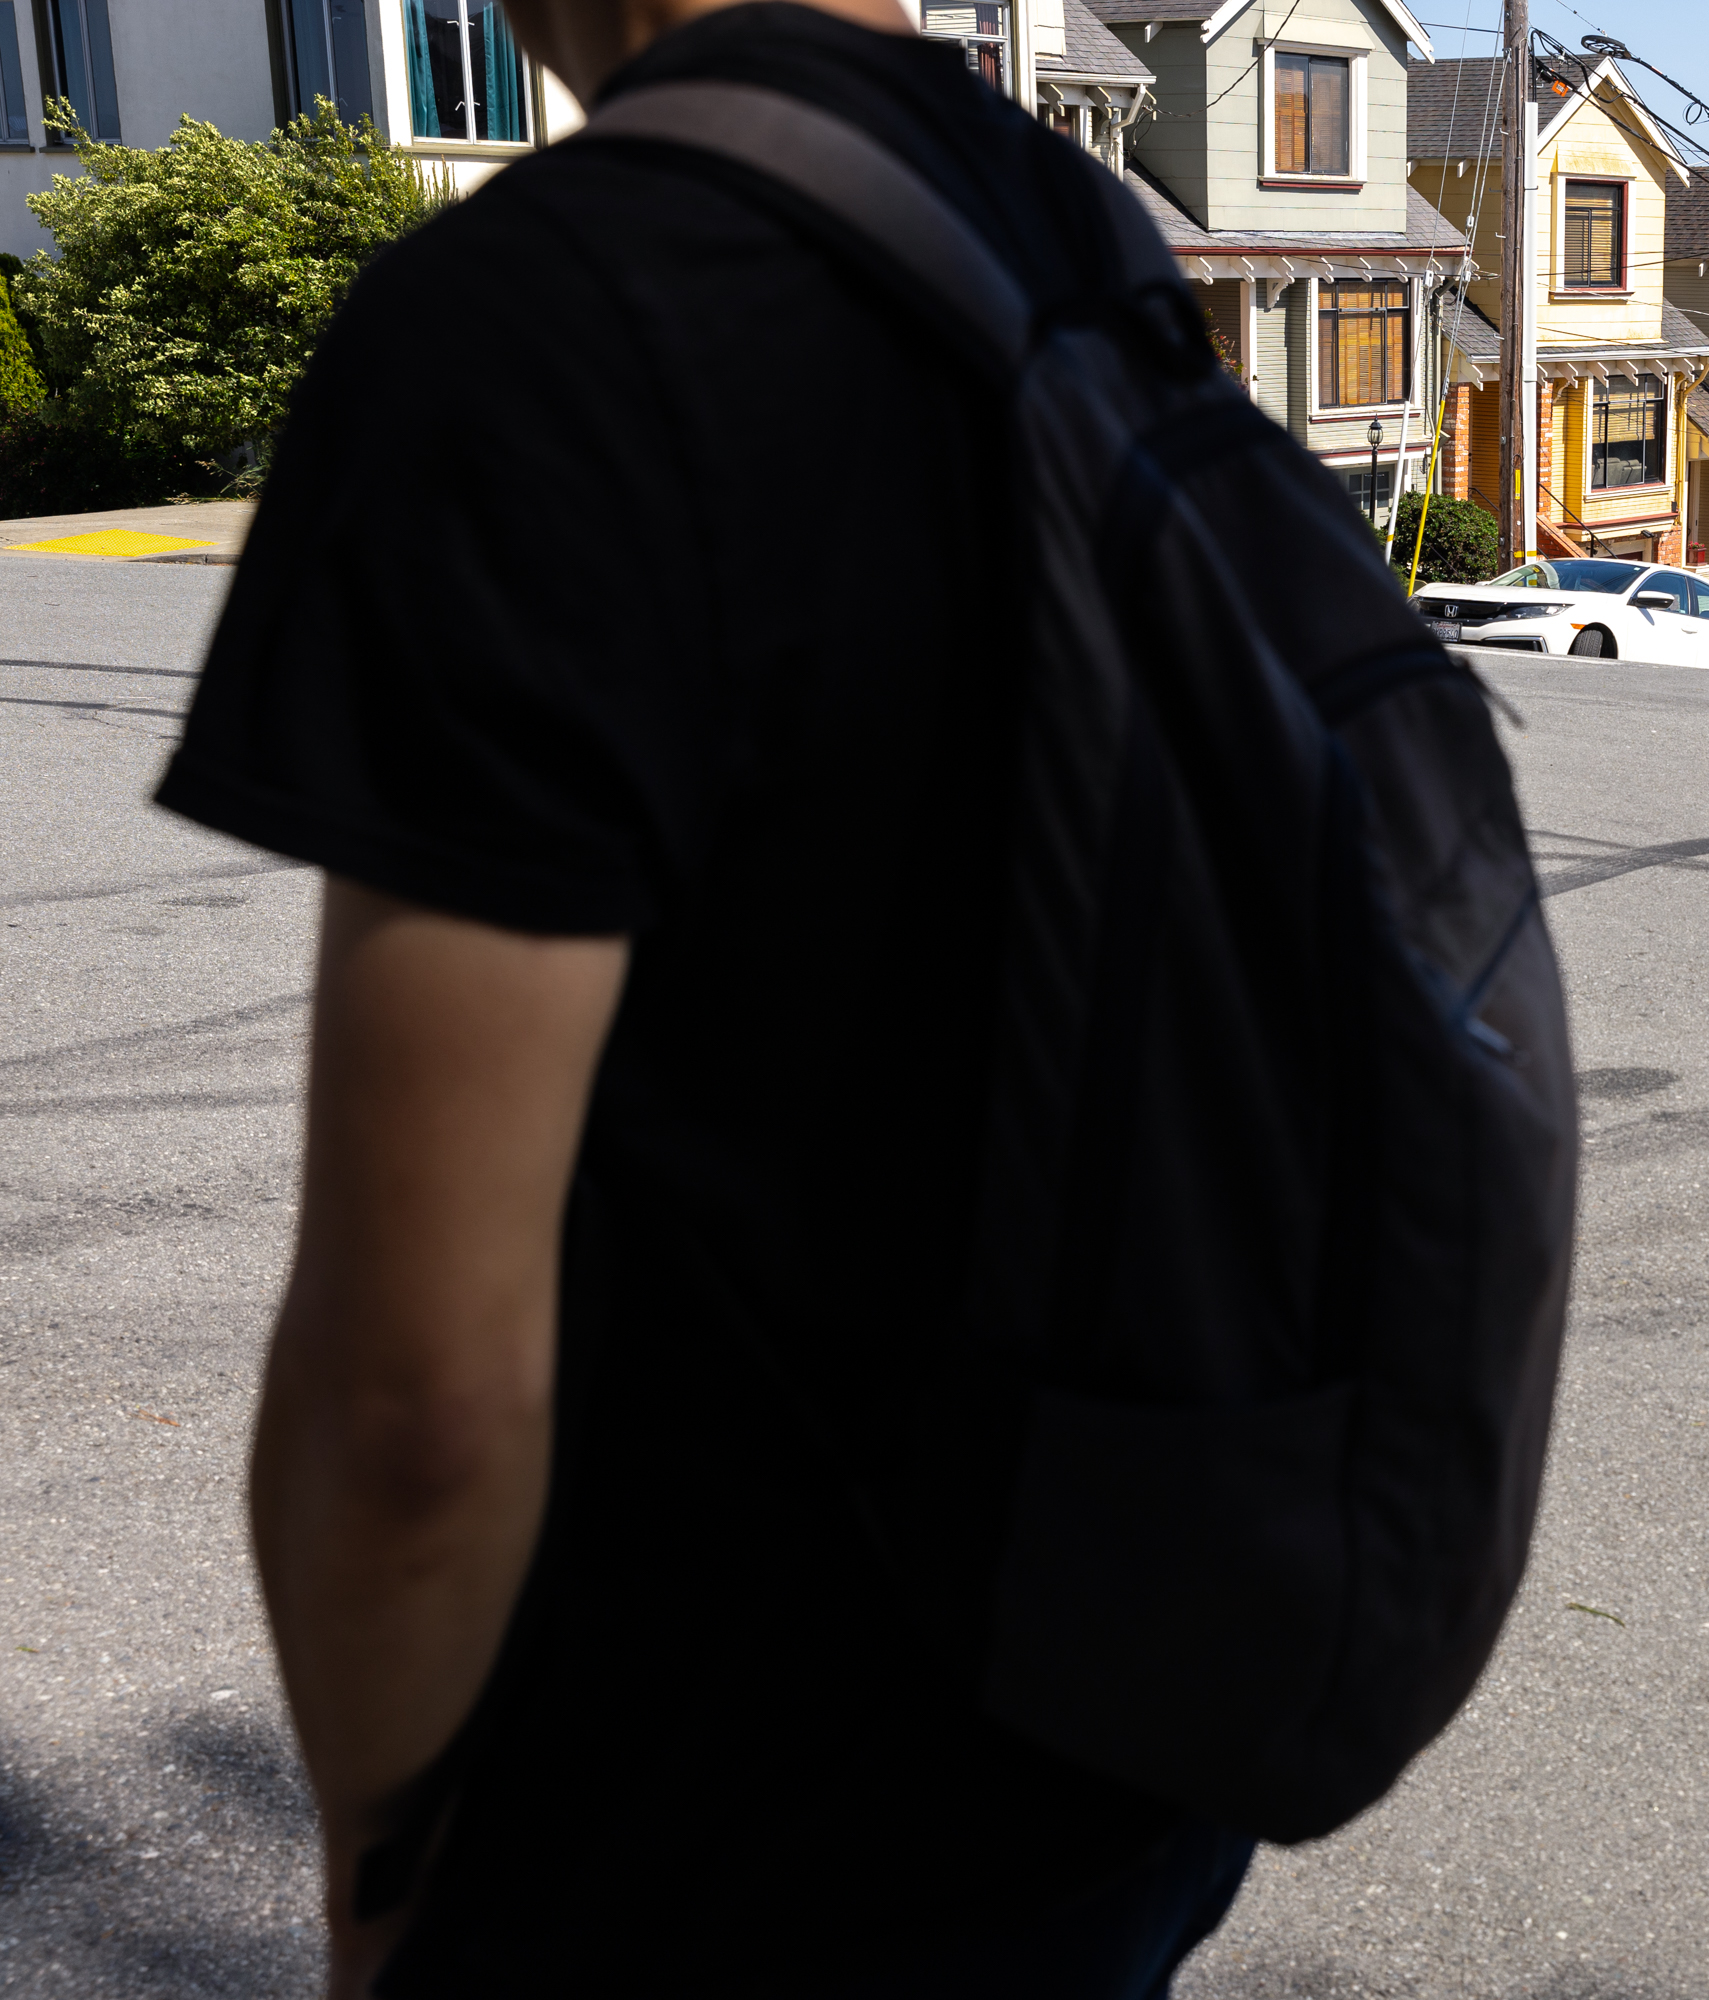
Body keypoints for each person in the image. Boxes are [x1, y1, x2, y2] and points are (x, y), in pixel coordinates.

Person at [156, 0, 1315, 1988]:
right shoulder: (1090, 249)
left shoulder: (537, 314)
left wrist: (382, 1892)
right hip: (1114, 1694)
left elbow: (417, 1396)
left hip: (720, 1805)